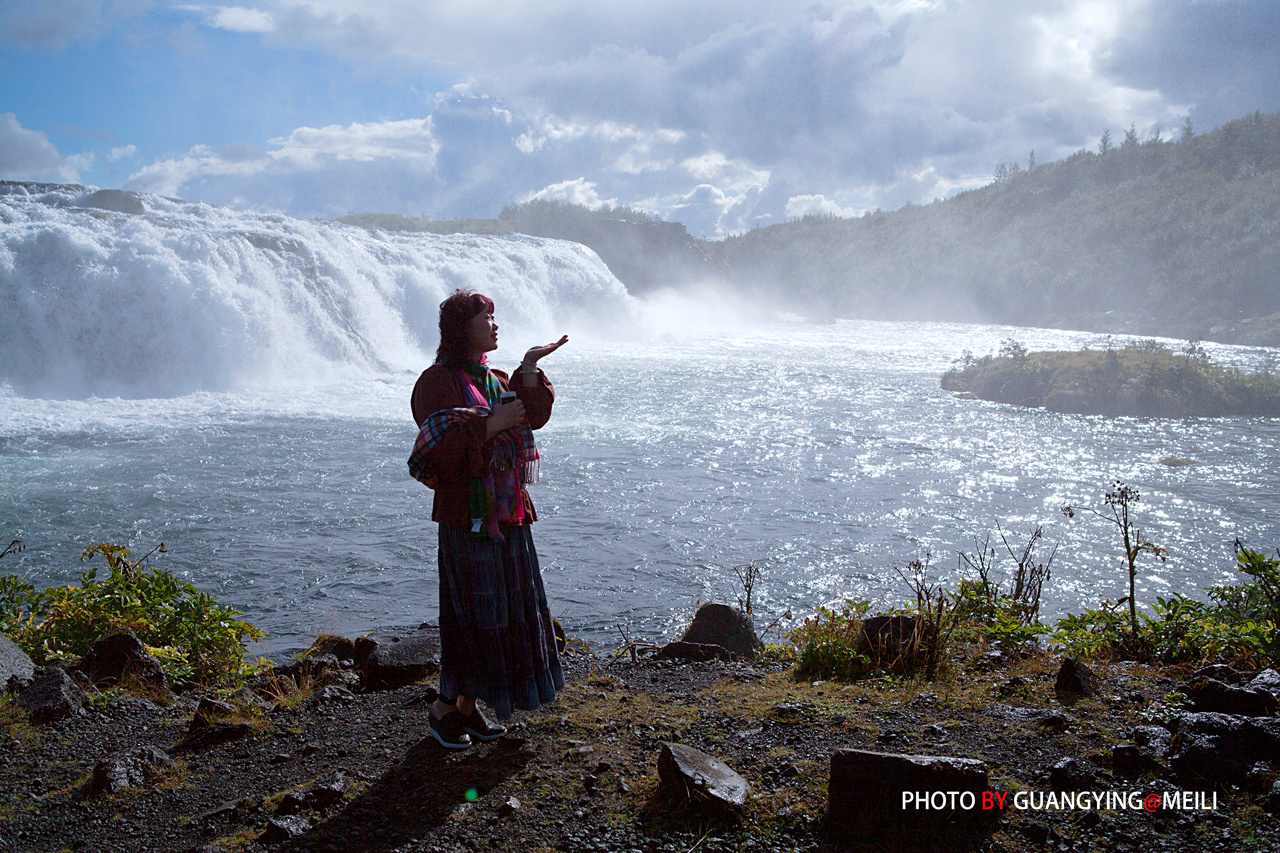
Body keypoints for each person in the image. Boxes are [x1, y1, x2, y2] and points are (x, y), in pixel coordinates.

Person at [409, 289, 569, 749]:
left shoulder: (495, 378)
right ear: (464, 328)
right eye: (486, 317)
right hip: (469, 519)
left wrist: (530, 366)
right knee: (472, 618)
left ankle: (465, 709)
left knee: (503, 615)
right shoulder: (436, 383)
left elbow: (532, 415)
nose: (495, 324)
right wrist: (491, 425)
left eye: (495, 317)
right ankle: (445, 710)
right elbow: (438, 452)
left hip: (507, 515)